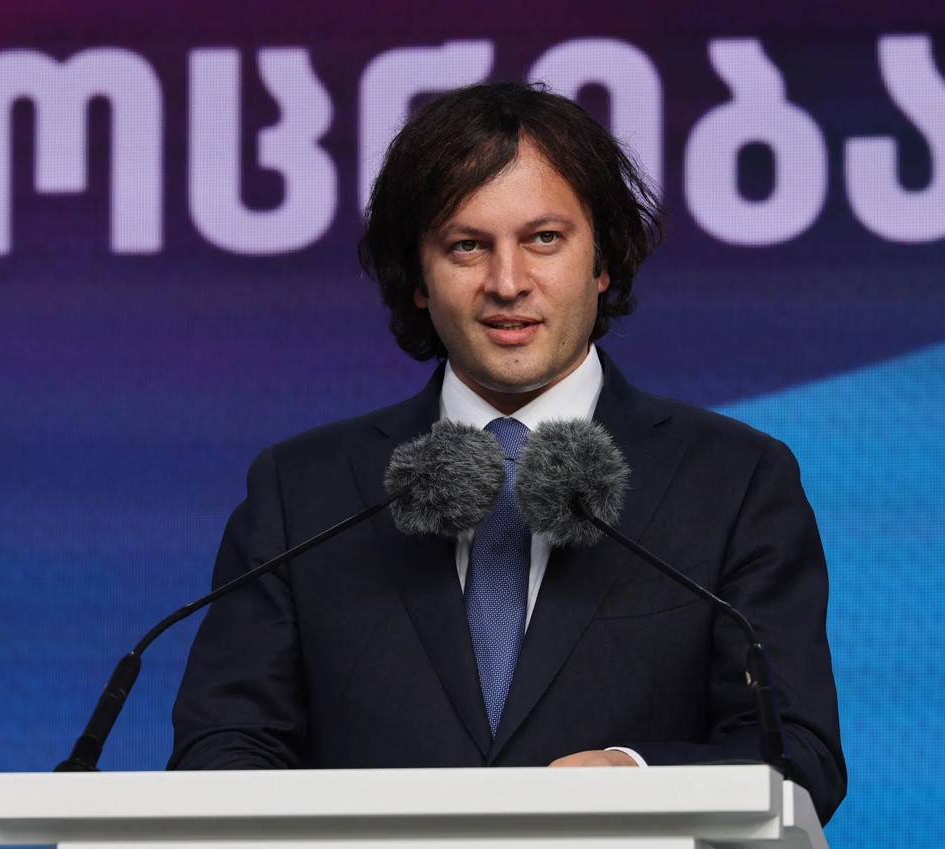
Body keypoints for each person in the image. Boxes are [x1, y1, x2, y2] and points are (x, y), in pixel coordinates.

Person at [169, 82, 847, 823]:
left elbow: (797, 755)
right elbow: (222, 749)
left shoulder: (735, 480)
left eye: (543, 239)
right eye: (467, 246)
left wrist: (635, 777)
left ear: (603, 260)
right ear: (419, 277)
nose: (508, 283)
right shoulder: (304, 491)